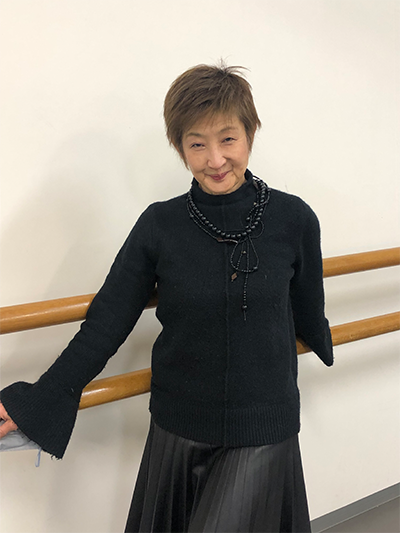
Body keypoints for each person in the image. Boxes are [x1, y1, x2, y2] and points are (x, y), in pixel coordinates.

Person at [0, 63, 333, 533]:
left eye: (228, 139)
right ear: (179, 148)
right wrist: (40, 398)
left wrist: (317, 339)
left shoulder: (294, 219)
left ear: (250, 133)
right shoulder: (160, 225)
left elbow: (308, 305)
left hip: (262, 427)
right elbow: (106, 321)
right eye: (197, 144)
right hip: (178, 427)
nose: (215, 159)